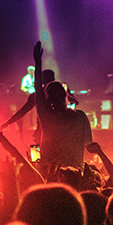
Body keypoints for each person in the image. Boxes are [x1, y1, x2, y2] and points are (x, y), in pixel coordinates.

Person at [33, 41, 92, 170]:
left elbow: (37, 87)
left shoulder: (47, 117)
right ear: (65, 95)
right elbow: (89, 145)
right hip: (75, 173)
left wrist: (38, 62)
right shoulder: (80, 117)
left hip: (52, 173)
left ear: (48, 97)